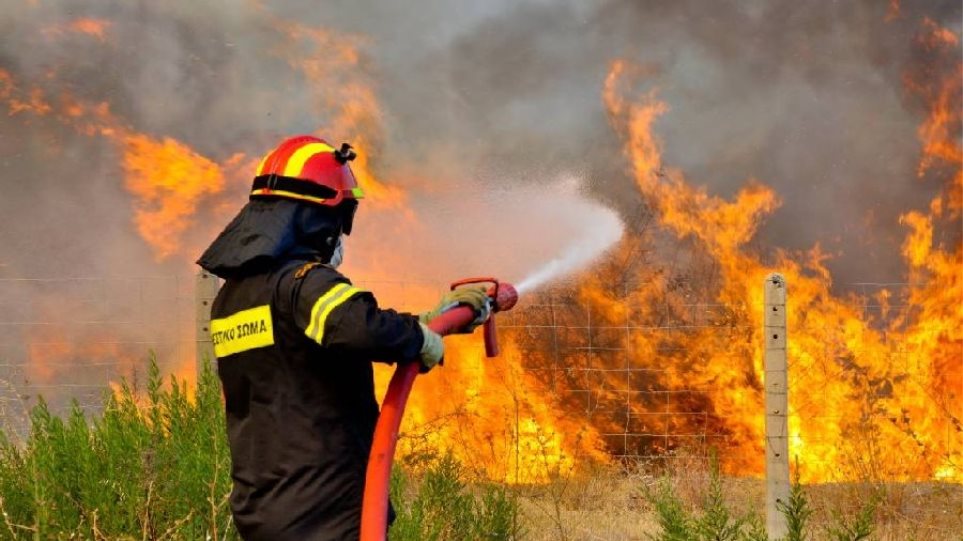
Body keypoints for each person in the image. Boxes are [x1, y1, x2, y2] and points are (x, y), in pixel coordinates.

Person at [197, 135, 489, 540]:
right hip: (325, 508)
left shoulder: (232, 299)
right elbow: (360, 327)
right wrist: (420, 340)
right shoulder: (304, 283)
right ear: (315, 219)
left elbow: (317, 339)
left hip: (264, 509)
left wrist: (426, 322)